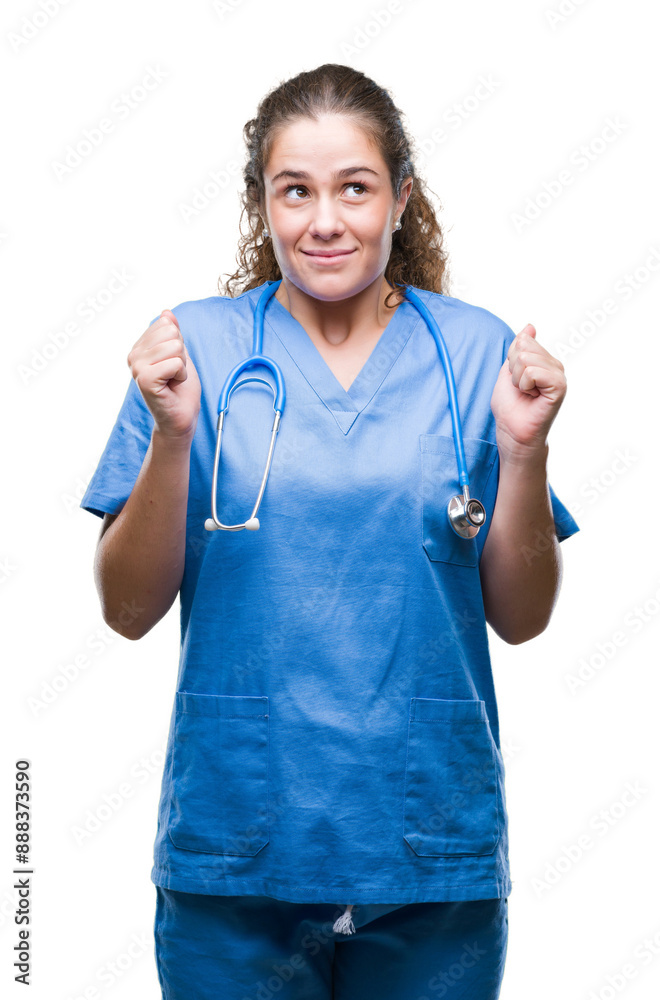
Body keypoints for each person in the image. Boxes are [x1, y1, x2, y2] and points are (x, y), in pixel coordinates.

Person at [81, 63, 579, 1000]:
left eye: (355, 187)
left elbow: (521, 617)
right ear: (260, 205)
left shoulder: (477, 354)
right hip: (239, 843)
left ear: (400, 199)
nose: (325, 221)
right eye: (294, 190)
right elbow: (126, 609)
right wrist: (175, 435)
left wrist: (523, 453)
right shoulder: (191, 351)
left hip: (425, 847)